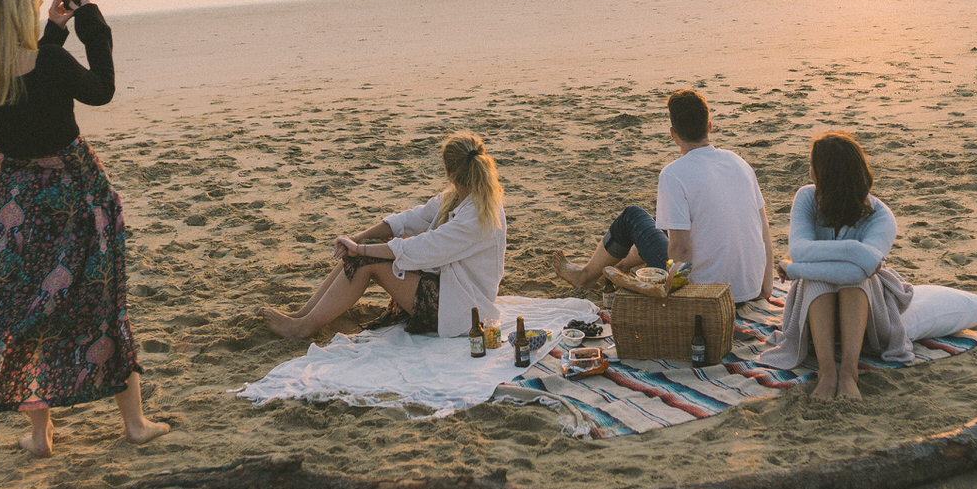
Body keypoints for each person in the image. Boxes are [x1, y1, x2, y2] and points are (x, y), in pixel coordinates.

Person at [0, 0, 168, 458]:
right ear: (23, 6)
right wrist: (91, 23)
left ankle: (40, 436)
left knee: (25, 313)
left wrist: (52, 34)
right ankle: (135, 424)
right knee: (102, 306)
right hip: (76, 197)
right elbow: (96, 90)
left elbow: (25, 95)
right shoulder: (50, 65)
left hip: (16, 205)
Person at [262, 132, 507, 340]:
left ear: (447, 170)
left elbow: (424, 248)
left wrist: (361, 250)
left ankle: (303, 327)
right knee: (362, 250)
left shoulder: (478, 215)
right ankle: (303, 314)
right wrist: (355, 240)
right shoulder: (457, 198)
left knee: (366, 261)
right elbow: (407, 221)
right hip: (445, 287)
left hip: (461, 309)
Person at [554, 90, 771, 304]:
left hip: (704, 294)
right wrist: (765, 288)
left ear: (673, 134)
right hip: (749, 290)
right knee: (669, 224)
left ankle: (584, 278)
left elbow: (681, 249)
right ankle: (622, 266)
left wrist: (676, 300)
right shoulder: (739, 163)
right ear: (710, 127)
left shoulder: (674, 173)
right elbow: (764, 232)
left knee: (634, 217)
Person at [758, 132, 915, 401]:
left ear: (826, 174)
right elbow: (799, 250)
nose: (809, 172)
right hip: (815, 297)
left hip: (866, 304)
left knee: (854, 282)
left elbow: (858, 273)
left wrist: (795, 270)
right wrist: (857, 252)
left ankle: (849, 371)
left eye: (813, 166)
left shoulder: (880, 216)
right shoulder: (807, 198)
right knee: (821, 281)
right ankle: (827, 371)